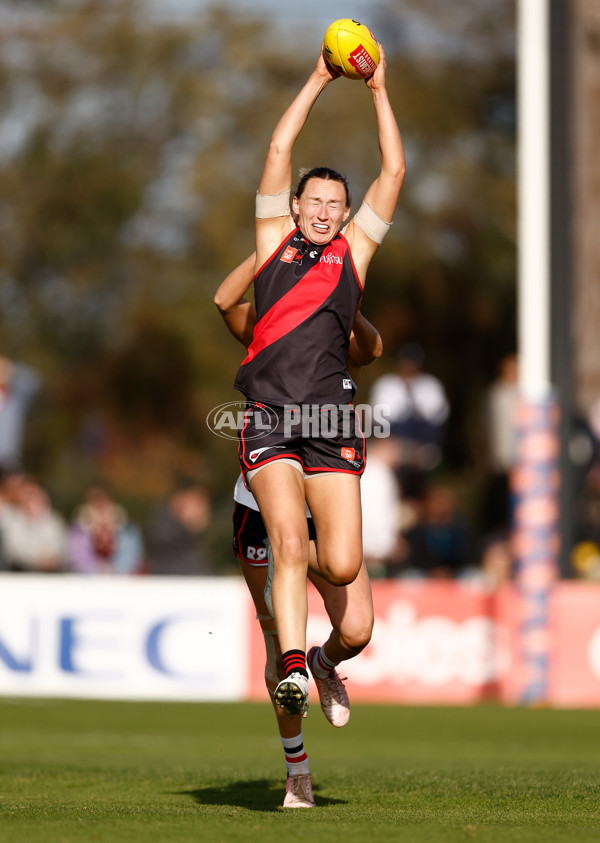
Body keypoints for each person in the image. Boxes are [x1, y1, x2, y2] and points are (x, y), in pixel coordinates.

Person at [228, 42, 405, 725]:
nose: (325, 210)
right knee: (289, 541)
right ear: (295, 203)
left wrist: (378, 90)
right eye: (315, 198)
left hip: (332, 426)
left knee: (341, 557)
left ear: (346, 213)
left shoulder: (351, 255)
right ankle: (295, 667)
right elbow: (279, 143)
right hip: (270, 415)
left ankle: (327, 661)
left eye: (337, 202)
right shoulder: (272, 240)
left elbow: (395, 169)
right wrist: (320, 77)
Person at [215, 253, 380, 808]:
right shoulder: (265, 321)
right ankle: (297, 771)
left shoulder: (333, 338)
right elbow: (224, 303)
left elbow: (372, 350)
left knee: (357, 629)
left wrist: (342, 298)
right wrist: (265, 258)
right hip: (265, 504)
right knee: (274, 644)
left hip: (324, 496)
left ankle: (325, 663)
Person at [67, 485, 144, 575]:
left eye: (103, 506)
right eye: (96, 507)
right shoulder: (78, 531)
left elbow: (132, 560)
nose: (100, 512)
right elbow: (77, 561)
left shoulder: (128, 531)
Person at [146, 481, 213, 576]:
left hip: (193, 575)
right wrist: (186, 524)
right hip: (166, 577)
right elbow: (162, 544)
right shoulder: (162, 519)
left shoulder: (195, 531)